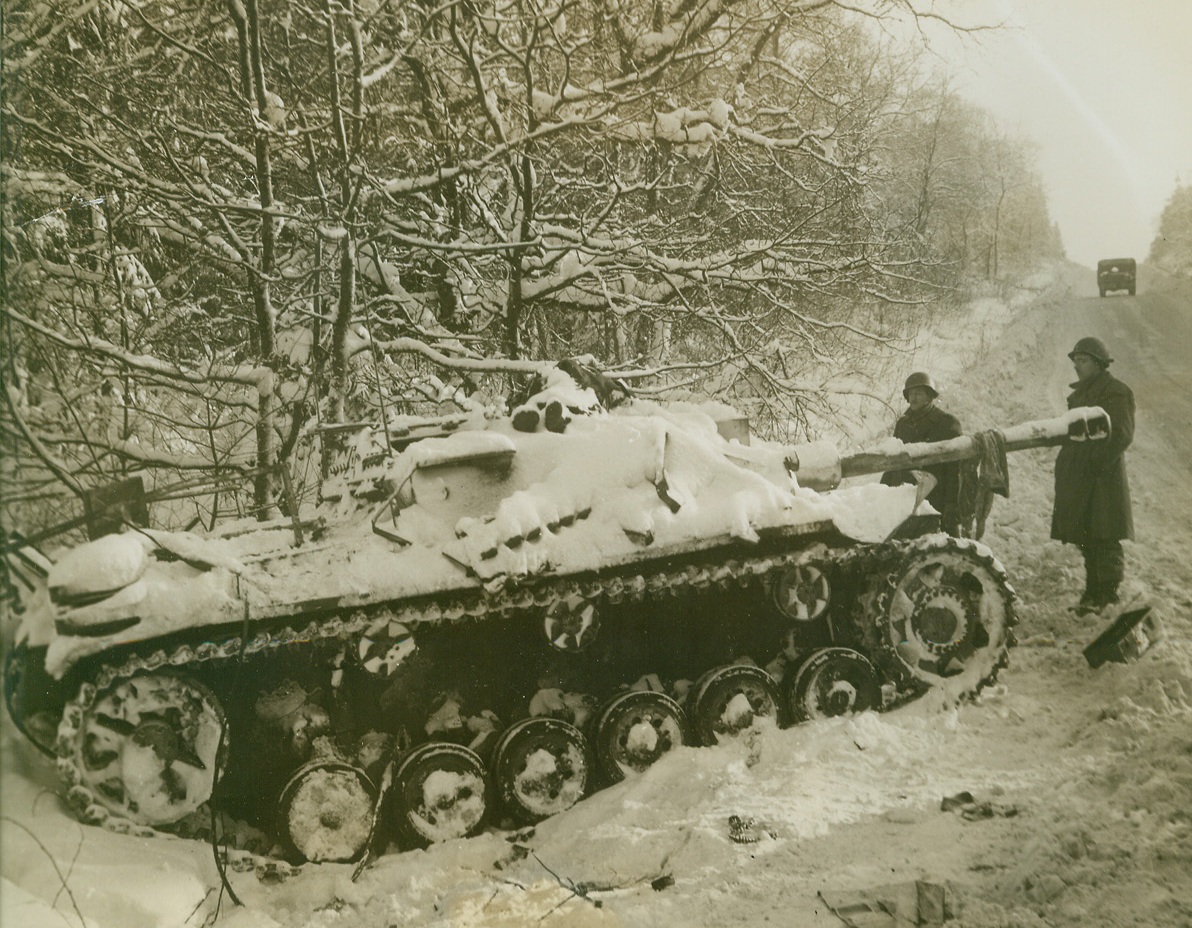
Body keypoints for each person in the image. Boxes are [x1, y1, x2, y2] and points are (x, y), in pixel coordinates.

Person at [1051, 337, 1135, 614]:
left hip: (1103, 479)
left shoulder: (1116, 391)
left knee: (1106, 536)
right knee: (1086, 535)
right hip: (1081, 478)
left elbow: (1122, 434)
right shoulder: (1078, 396)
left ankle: (1108, 595)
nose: (1077, 366)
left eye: (1083, 360)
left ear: (1099, 363)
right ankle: (1092, 592)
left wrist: (1095, 463)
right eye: (1075, 360)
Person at [880, 371, 963, 535]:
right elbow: (893, 463)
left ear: (929, 396)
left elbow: (955, 470)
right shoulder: (903, 424)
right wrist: (881, 493)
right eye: (911, 393)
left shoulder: (946, 423)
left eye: (918, 393)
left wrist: (952, 505)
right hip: (906, 501)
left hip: (935, 500)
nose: (913, 398)